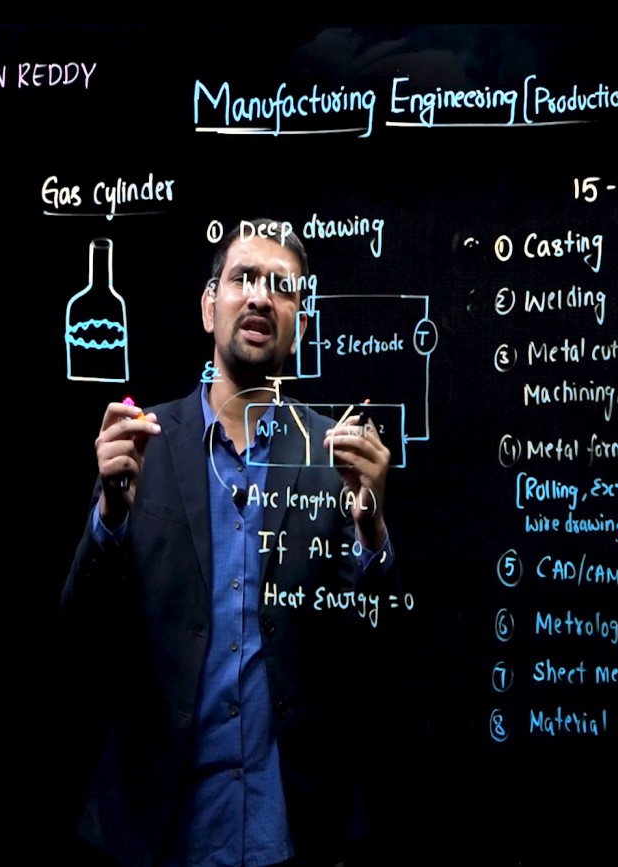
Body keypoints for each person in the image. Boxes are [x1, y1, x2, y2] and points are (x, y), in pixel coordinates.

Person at [62, 218, 395, 867]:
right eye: (243, 278)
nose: (261, 297)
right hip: (157, 833)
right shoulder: (142, 444)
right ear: (208, 306)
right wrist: (109, 513)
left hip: (292, 833)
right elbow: (80, 638)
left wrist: (371, 529)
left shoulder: (336, 458)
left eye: (282, 287)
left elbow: (376, 663)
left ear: (300, 324)